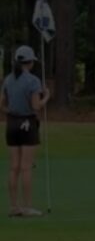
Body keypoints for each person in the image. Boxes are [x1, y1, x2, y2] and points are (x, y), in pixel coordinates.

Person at [0, 45, 50, 216]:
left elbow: (2, 104)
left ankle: (14, 207)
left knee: (13, 167)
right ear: (29, 62)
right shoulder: (33, 81)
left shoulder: (8, 79)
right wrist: (47, 97)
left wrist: (11, 113)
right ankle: (27, 207)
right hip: (27, 123)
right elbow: (36, 106)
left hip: (12, 124)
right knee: (26, 167)